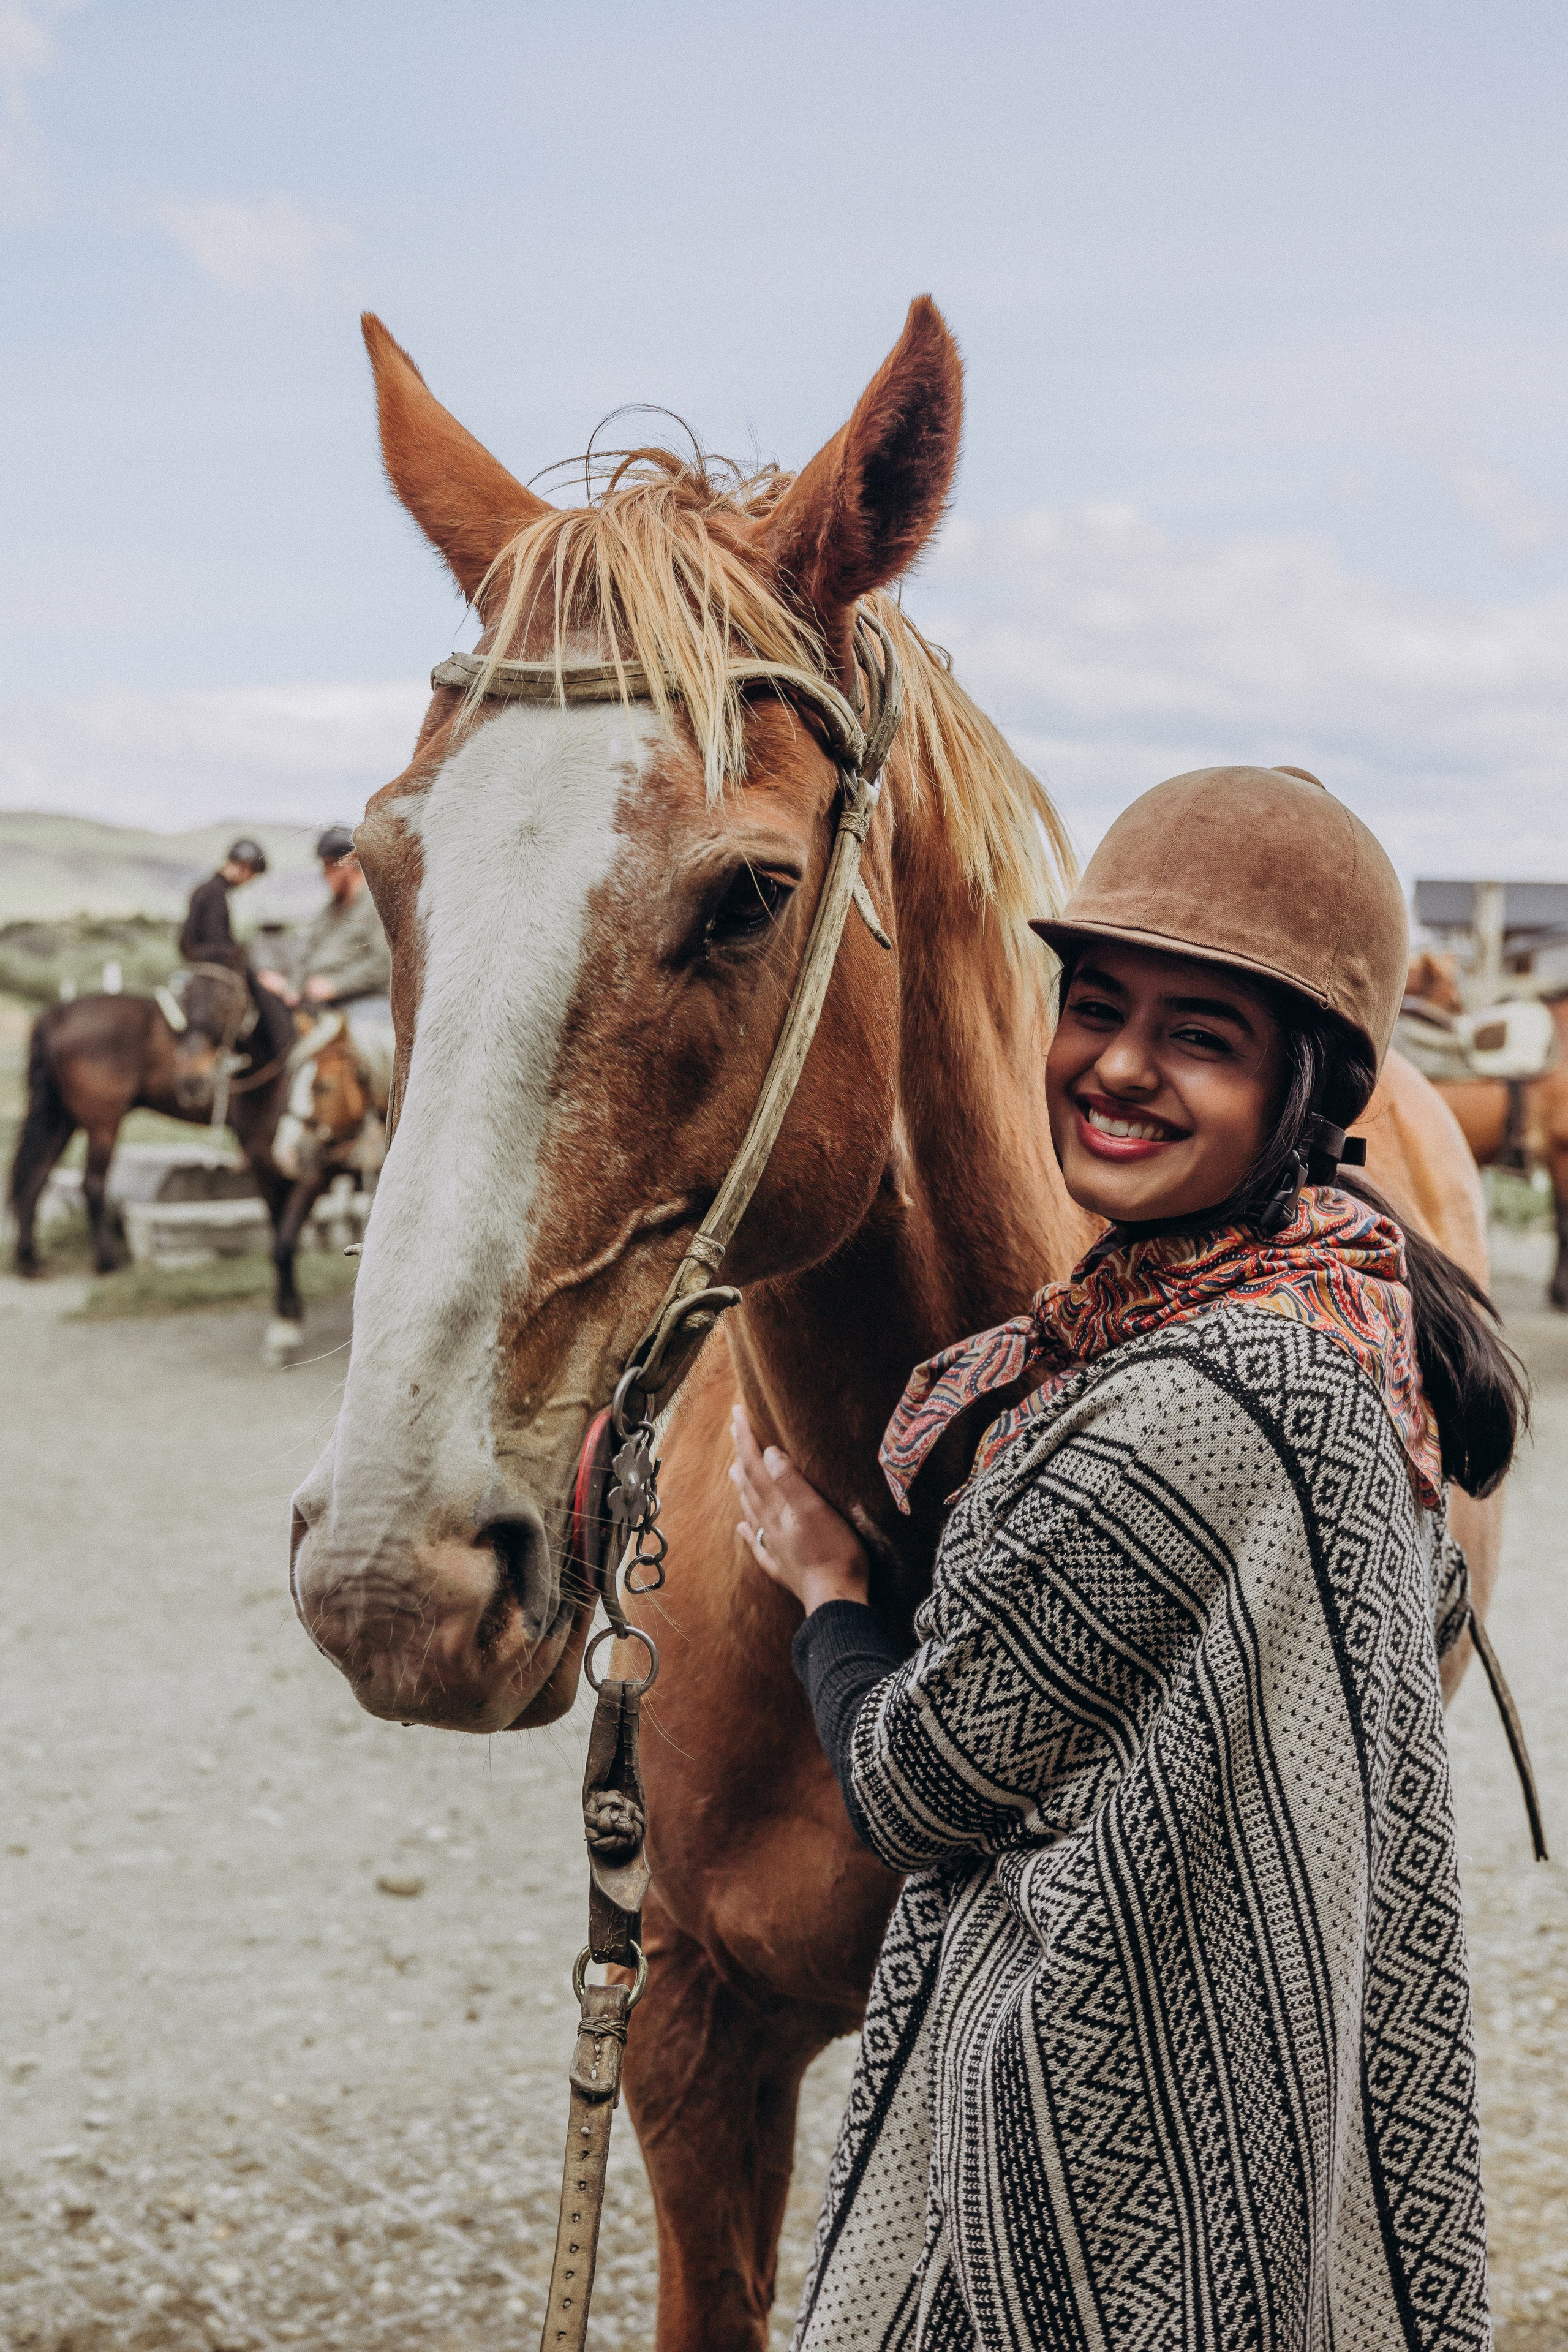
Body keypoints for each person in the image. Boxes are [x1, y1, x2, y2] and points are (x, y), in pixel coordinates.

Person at [731, 766, 1526, 2352]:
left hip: (1100, 2170)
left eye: (1202, 1037)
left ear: (1308, 1090)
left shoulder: (1183, 1411)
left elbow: (910, 1787)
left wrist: (827, 1593)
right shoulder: (1347, 1323)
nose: (1119, 1068)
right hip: (1268, 2090)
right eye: (1097, 1007)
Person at [255, 826, 391, 1016]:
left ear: (350, 862)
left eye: (329, 865)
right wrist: (292, 988)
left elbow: (383, 965)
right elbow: (308, 953)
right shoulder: (330, 909)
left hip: (366, 1000)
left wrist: (336, 985)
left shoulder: (375, 906)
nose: (324, 874)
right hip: (322, 1001)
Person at [178, 838, 268, 967]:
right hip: (208, 960)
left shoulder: (208, 889)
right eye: (251, 875)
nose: (249, 881)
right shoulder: (214, 893)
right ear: (244, 867)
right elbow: (215, 938)